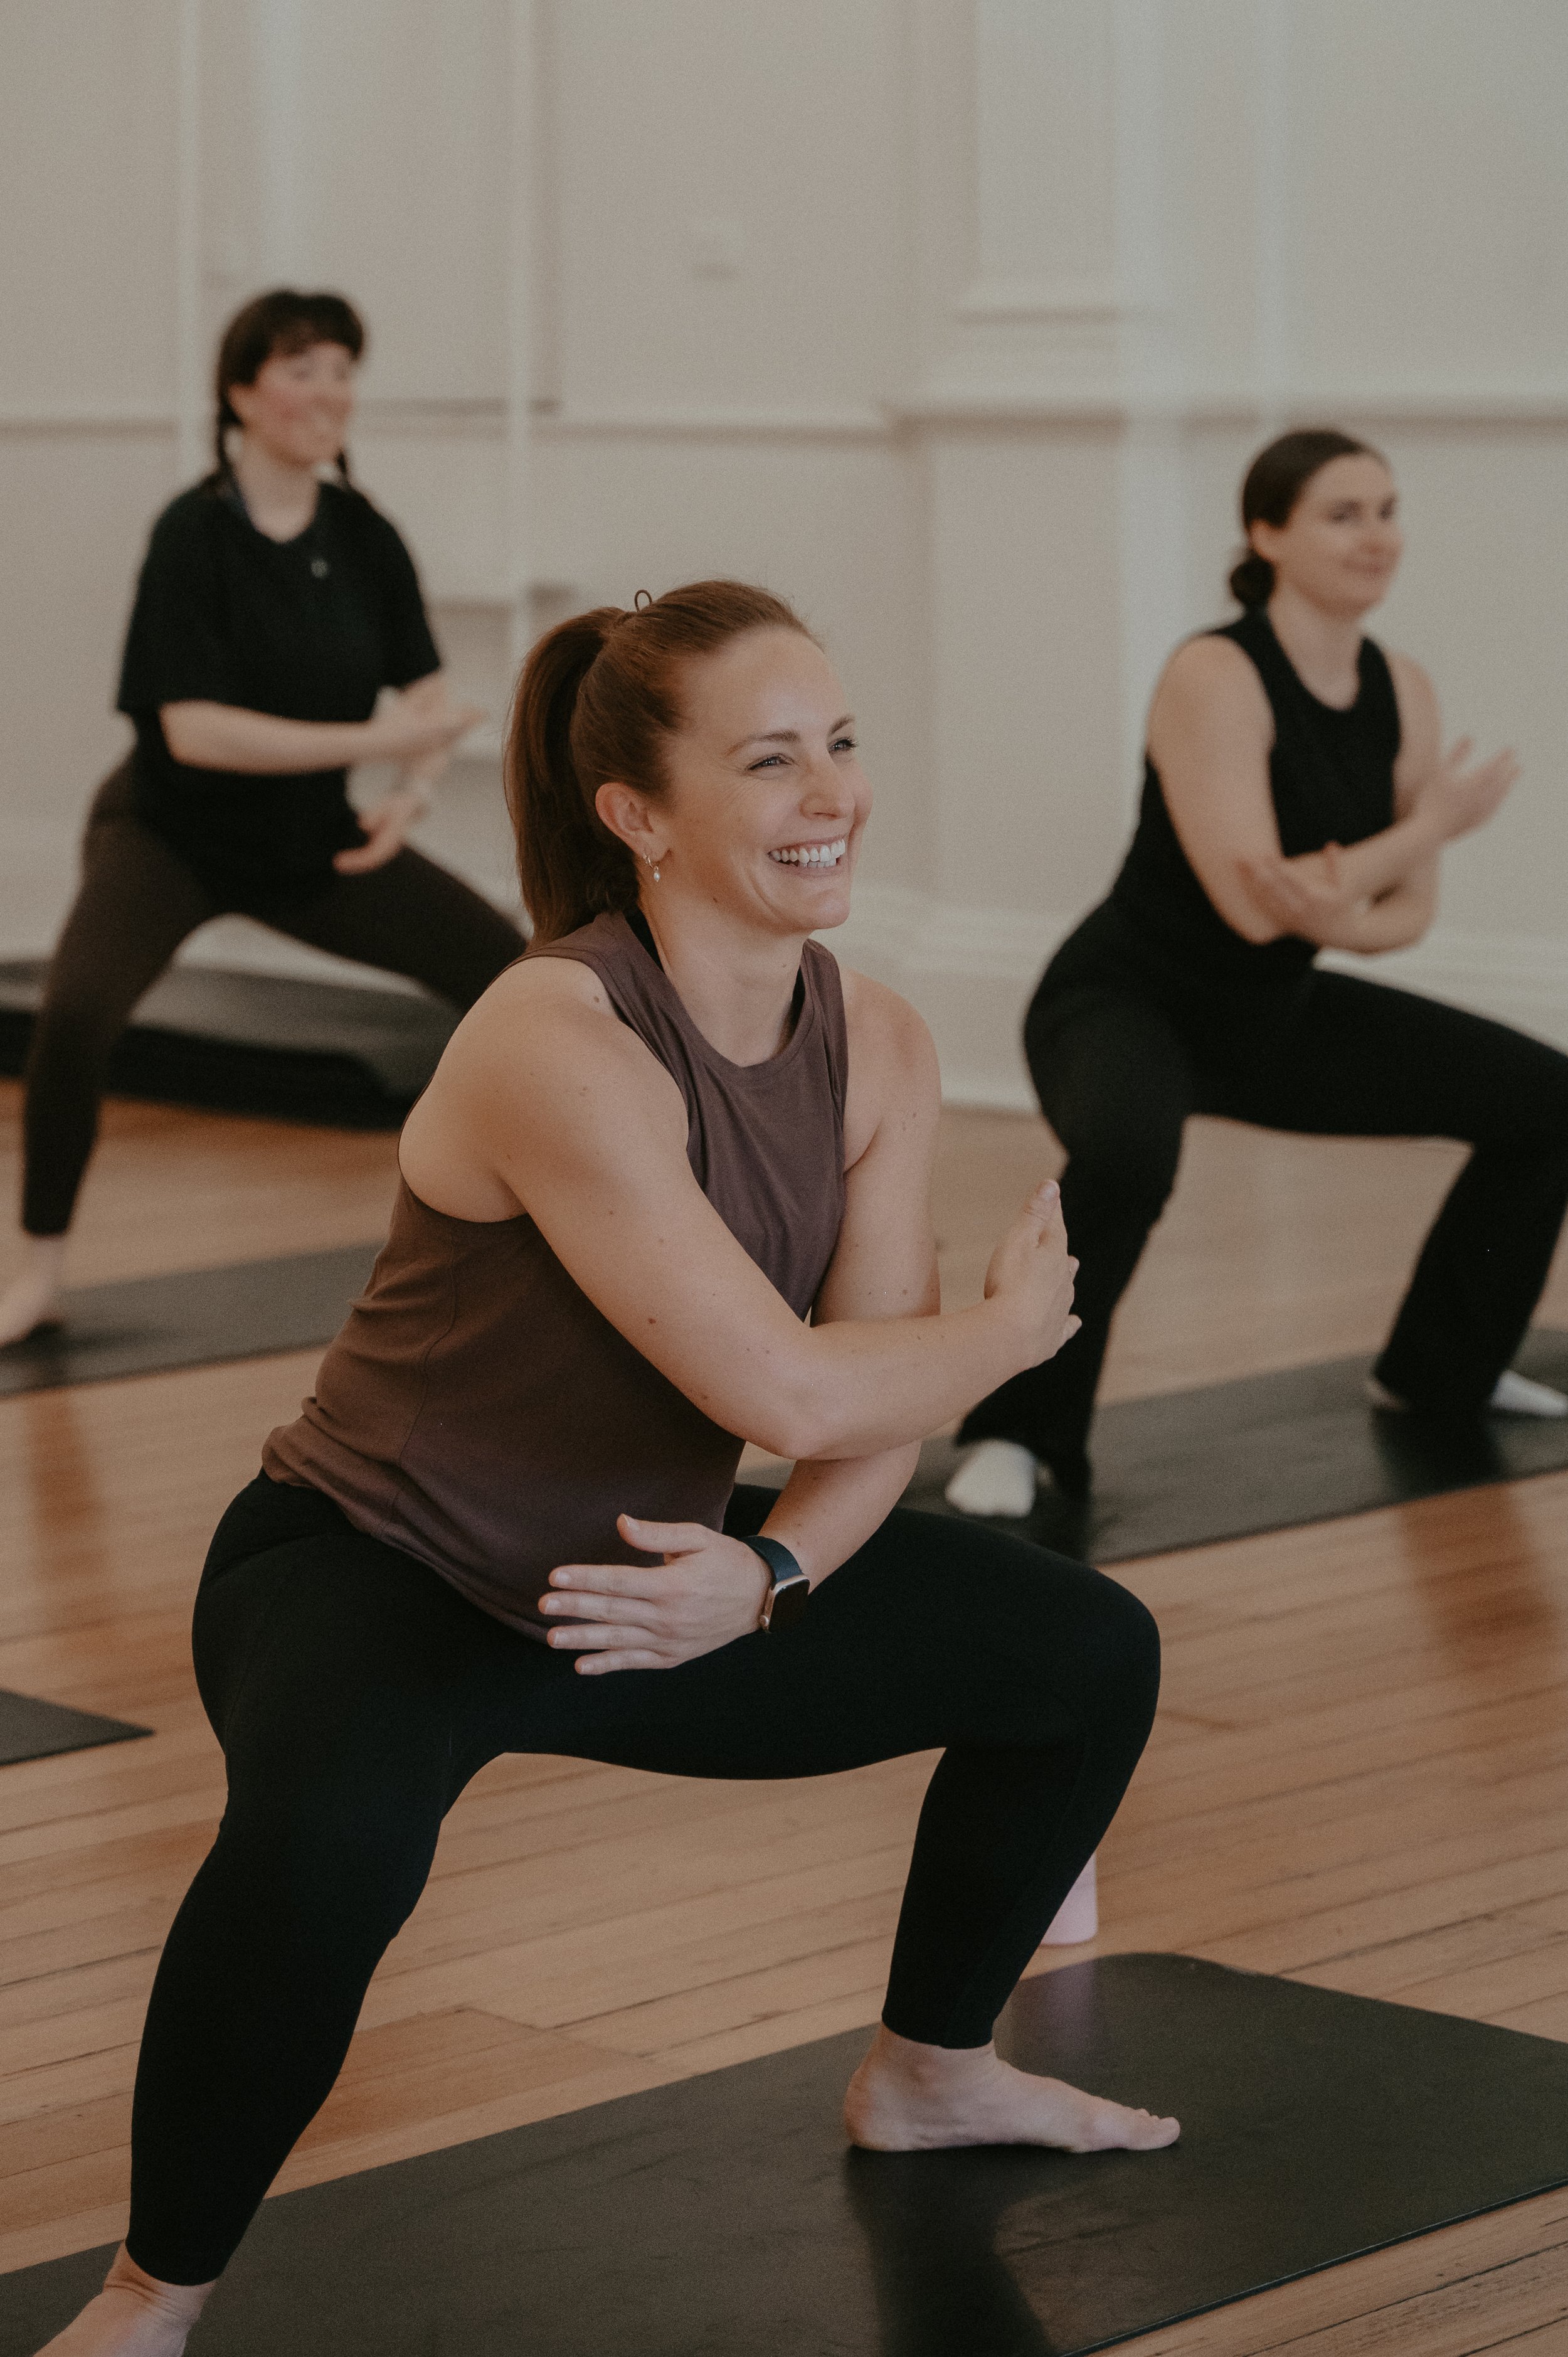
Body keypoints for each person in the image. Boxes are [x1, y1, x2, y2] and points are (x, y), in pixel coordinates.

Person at [37, 580, 1177, 2356]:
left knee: (1085, 1654)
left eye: (844, 743)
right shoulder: (550, 1036)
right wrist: (1011, 1335)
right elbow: (790, 1378)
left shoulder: (871, 1039)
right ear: (636, 814)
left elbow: (856, 1413)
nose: (832, 791)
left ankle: (933, 2069)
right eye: (771, 757)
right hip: (371, 1565)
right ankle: (149, 2293)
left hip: (641, 1575)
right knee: (325, 1846)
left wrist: (772, 1573)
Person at [947, 427, 1568, 1521]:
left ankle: (1437, 1371)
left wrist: (1344, 900)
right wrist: (1421, 830)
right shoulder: (1214, 672)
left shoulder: (1402, 689)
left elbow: (1407, 914)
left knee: (1548, 1098)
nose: (1377, 535)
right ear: (1267, 532)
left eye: (1388, 509)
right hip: (1123, 997)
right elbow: (1249, 901)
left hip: (1271, 1014)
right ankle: (1015, 1429)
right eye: (1344, 512)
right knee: (1130, 1155)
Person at [0, 287, 524, 1347]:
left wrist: (412, 788)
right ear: (241, 392)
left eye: (342, 369)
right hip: (168, 833)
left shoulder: (364, 534)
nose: (328, 392)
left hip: (307, 843)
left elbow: (425, 695)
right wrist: (378, 749)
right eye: (302, 368)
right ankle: (36, 1275)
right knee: (78, 1019)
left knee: (518, 977)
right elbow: (192, 730)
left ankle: (534, 1235)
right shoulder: (194, 534)